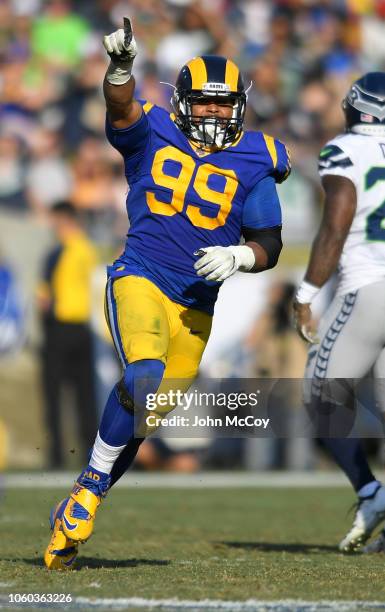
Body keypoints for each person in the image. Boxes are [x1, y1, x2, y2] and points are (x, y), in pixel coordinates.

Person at [44, 17, 290, 569]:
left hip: (197, 306)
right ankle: (86, 493)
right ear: (182, 102)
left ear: (239, 107)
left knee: (145, 414)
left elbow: (269, 241)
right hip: (142, 276)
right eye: (203, 103)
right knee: (143, 376)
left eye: (223, 104)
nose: (213, 112)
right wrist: (121, 69)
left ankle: (84, 497)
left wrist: (241, 255)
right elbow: (122, 109)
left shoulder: (257, 158)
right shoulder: (153, 130)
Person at [293, 72, 385, 553]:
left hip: (368, 289)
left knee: (319, 394)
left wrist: (307, 290)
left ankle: (371, 492)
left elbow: (337, 220)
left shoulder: (346, 148)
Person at [38, 201, 98, 469]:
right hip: (84, 329)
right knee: (85, 394)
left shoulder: (58, 251)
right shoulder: (89, 249)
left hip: (60, 328)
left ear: (63, 220)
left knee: (53, 394)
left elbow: (44, 298)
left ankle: (56, 455)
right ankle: (91, 453)